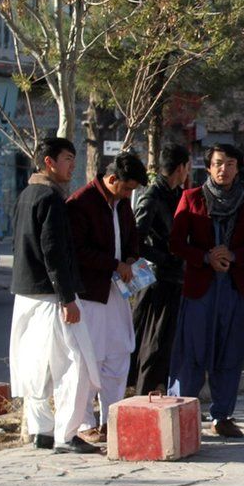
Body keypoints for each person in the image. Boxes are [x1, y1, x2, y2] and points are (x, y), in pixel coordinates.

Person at [8, 137, 101, 454]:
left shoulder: (26, 195)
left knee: (34, 367)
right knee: (75, 365)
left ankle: (42, 431)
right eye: (67, 158)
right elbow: (54, 252)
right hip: (50, 296)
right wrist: (67, 298)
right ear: (49, 162)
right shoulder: (50, 198)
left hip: (25, 293)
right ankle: (66, 434)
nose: (72, 165)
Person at [168, 143, 244, 438]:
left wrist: (233, 255)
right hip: (200, 287)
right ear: (209, 167)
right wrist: (205, 257)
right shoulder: (191, 198)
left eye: (231, 164)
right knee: (192, 351)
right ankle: (184, 414)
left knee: (230, 352)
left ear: (238, 168)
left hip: (234, 288)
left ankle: (222, 415)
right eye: (219, 163)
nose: (225, 169)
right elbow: (176, 242)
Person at [67, 151, 146, 441]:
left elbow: (131, 237)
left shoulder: (122, 203)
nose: (128, 195)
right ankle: (85, 423)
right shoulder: (80, 203)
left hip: (117, 291)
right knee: (90, 358)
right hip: (89, 294)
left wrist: (132, 261)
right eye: (126, 188)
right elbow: (76, 251)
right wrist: (114, 265)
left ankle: (111, 418)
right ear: (112, 179)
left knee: (118, 354)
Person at [130, 144, 190, 395]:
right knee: (152, 342)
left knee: (167, 342)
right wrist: (166, 258)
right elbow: (136, 241)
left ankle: (159, 391)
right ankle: (144, 395)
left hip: (173, 278)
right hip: (155, 280)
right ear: (181, 168)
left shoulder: (177, 194)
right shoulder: (152, 197)